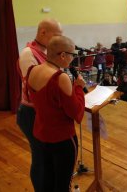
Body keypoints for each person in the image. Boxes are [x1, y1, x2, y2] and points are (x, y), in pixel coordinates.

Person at [26, 35, 85, 192]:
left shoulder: (32, 70)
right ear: (63, 55)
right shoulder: (60, 77)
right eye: (72, 55)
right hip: (61, 139)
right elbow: (77, 114)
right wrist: (78, 87)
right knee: (62, 184)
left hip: (40, 135)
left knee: (48, 179)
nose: (73, 59)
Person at [16, 18, 62, 192]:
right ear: (43, 32)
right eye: (56, 36)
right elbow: (35, 90)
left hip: (44, 112)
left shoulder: (46, 51)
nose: (59, 40)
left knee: (48, 156)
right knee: (41, 157)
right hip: (32, 113)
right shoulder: (29, 54)